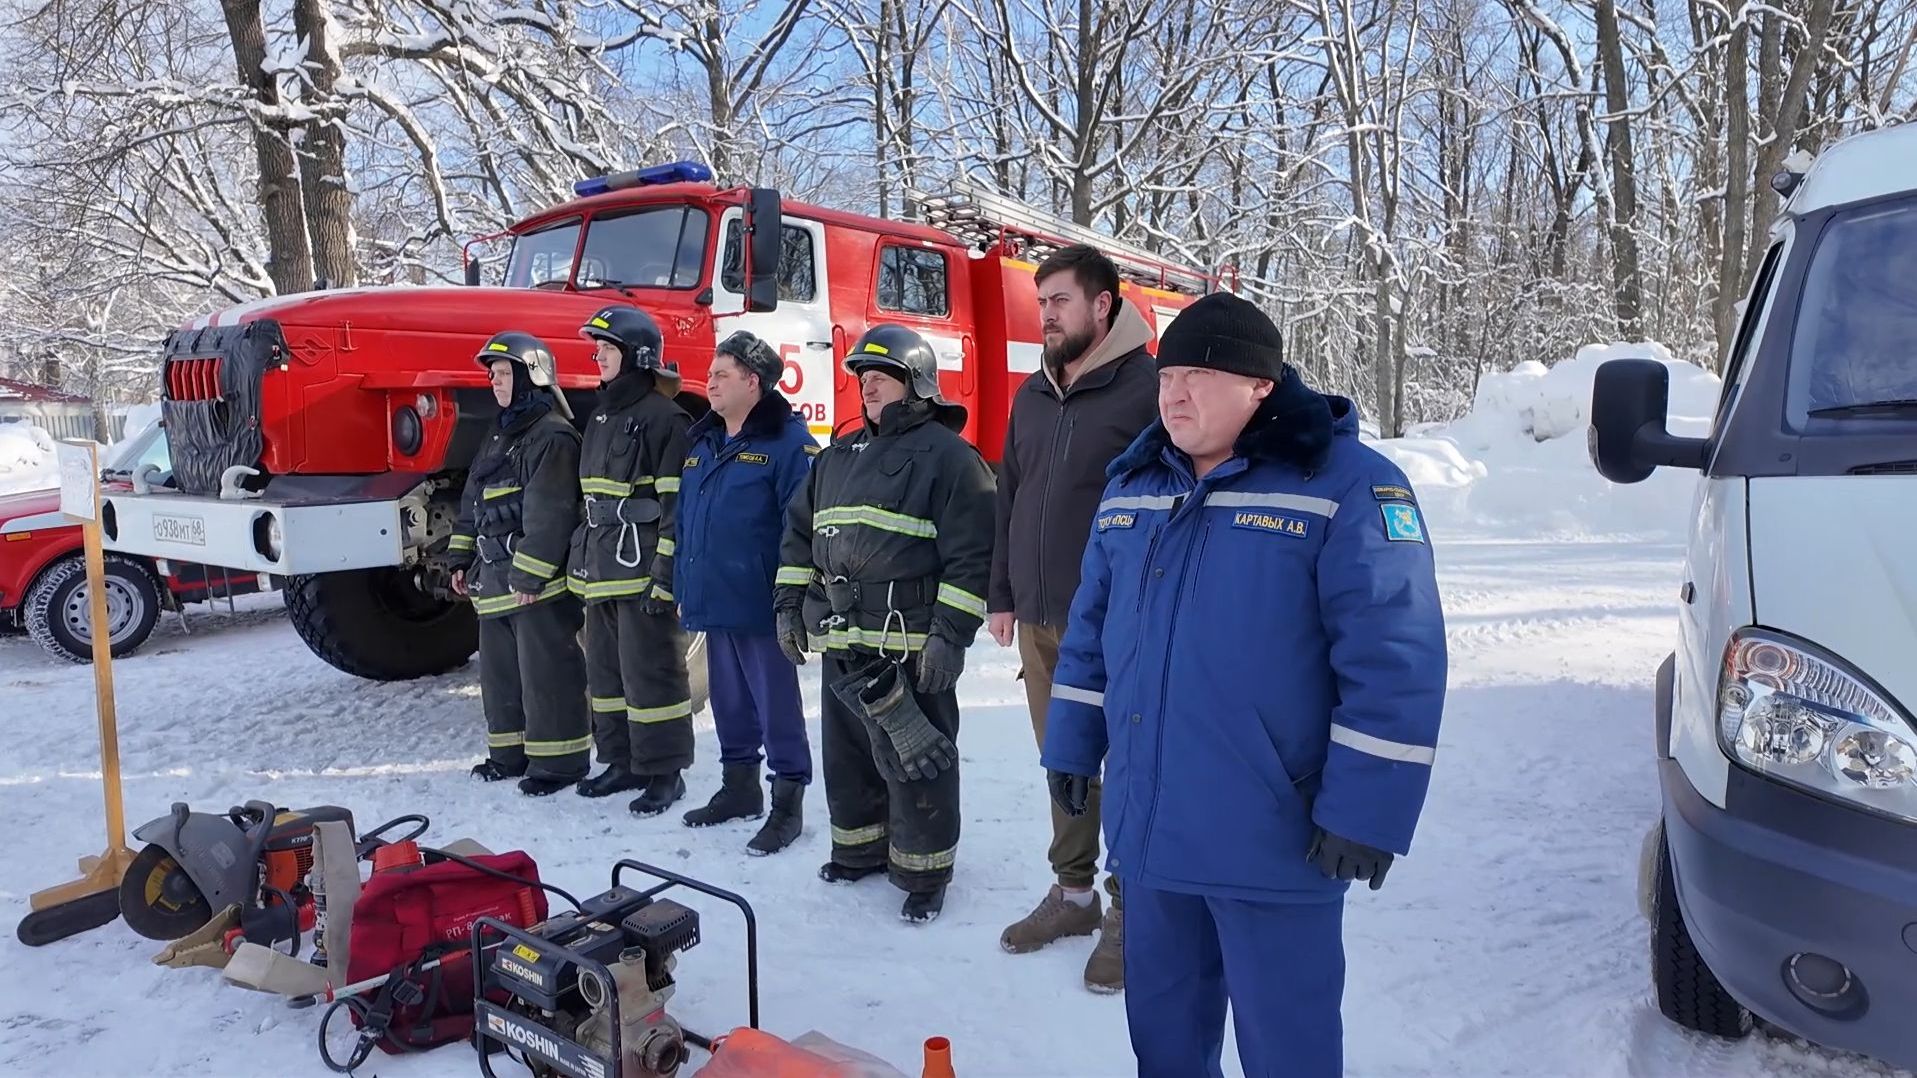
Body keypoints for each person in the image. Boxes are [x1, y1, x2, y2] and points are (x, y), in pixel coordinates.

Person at [1040, 292, 1447, 1077]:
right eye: (1167, 376)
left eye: (1198, 376)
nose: (1174, 394)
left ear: (1259, 386)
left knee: (1285, 1047)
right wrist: (1071, 742)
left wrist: (1368, 808)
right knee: (1163, 1041)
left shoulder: (1347, 486)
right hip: (1152, 831)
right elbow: (1091, 636)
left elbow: (1396, 655)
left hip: (1274, 836)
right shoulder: (1135, 483)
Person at [774, 324, 997, 923]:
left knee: (917, 757)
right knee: (847, 754)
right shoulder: (836, 457)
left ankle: (925, 872)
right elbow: (799, 535)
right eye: (862, 380)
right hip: (841, 635)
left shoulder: (952, 458)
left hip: (911, 642)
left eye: (881, 378)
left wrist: (951, 635)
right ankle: (858, 850)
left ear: (918, 383)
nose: (867, 389)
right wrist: (788, 606)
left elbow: (972, 558)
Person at [989, 243, 1158, 993]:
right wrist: (1003, 592)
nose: (1046, 313)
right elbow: (1011, 496)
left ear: (1103, 305)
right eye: (1041, 301)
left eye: (1059, 300)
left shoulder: (1148, 391)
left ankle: (1129, 908)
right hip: (1041, 617)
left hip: (1120, 623)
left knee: (1126, 768)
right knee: (1064, 764)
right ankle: (1072, 894)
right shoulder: (1032, 395)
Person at [675, 330, 819, 854]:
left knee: (774, 703)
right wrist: (681, 584)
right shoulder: (704, 443)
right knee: (730, 702)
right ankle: (740, 788)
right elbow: (685, 522)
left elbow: (800, 529)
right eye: (711, 374)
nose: (709, 383)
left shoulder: (789, 447)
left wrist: (793, 601)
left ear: (753, 382)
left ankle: (787, 801)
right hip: (714, 597)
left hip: (763, 603)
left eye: (722, 375)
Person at [566, 305, 697, 817]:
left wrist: (664, 577)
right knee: (606, 675)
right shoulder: (599, 415)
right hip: (600, 568)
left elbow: (675, 508)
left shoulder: (666, 419)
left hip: (642, 570)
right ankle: (619, 761)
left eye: (607, 348)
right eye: (596, 347)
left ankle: (664, 773)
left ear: (636, 356)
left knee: (653, 676)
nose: (597, 355)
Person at [448, 331, 591, 797]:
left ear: (533, 375)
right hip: (493, 581)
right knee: (501, 675)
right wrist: (459, 558)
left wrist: (530, 573)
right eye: (492, 374)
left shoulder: (553, 436)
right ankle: (508, 756)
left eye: (504, 373)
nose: (494, 382)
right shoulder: (498, 433)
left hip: (536, 586)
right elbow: (474, 502)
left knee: (545, 675)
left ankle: (559, 764)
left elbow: (550, 512)